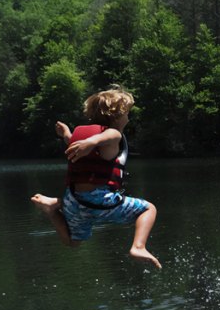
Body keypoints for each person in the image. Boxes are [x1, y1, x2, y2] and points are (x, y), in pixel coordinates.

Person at [31, 87, 161, 269]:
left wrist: (67, 135)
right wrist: (92, 142)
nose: (129, 118)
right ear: (117, 116)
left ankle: (53, 208)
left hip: (74, 200)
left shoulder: (81, 135)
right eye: (127, 114)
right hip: (98, 200)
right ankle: (138, 247)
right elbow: (108, 136)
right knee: (148, 209)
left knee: (72, 242)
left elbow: (77, 146)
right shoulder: (113, 134)